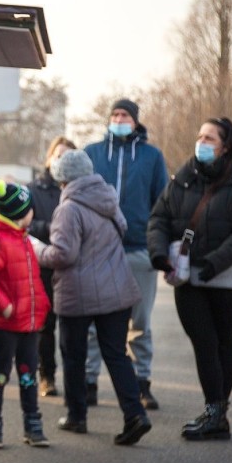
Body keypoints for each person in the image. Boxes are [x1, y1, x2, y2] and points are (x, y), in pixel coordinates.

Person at [147, 117, 232, 441]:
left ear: (225, 146)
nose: (202, 142)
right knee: (204, 343)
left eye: (210, 138)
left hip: (228, 277)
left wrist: (214, 262)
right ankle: (214, 409)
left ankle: (217, 414)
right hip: (189, 277)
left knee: (223, 343)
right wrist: (158, 253)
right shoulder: (182, 179)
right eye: (200, 136)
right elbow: (159, 218)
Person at [34, 149, 152, 446]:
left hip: (78, 294)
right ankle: (135, 414)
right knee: (116, 354)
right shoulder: (109, 198)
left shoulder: (68, 208)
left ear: (63, 178)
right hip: (116, 289)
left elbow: (63, 254)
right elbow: (122, 230)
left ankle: (77, 416)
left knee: (74, 356)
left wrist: (35, 249)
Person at [84, 98, 168, 410]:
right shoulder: (91, 153)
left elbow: (163, 204)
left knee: (140, 322)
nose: (119, 119)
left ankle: (142, 383)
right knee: (94, 321)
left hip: (138, 250)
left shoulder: (151, 156)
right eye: (115, 114)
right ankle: (89, 381)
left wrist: (162, 246)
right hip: (97, 252)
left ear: (135, 121)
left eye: (125, 115)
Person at [0, 179, 51, 449]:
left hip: (29, 323)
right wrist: (5, 306)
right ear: (21, 213)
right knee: (0, 373)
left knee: (28, 373)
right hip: (4, 324)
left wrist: (41, 306)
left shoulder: (23, 238)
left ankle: (33, 424)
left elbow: (32, 279)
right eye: (30, 208)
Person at [27, 136, 77, 397]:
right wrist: (52, 228)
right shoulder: (33, 189)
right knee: (45, 327)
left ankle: (75, 382)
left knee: (71, 328)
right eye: (58, 155)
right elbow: (26, 223)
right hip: (44, 265)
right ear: (49, 158)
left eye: (68, 156)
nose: (61, 160)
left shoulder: (77, 189)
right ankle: (47, 376)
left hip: (71, 267)